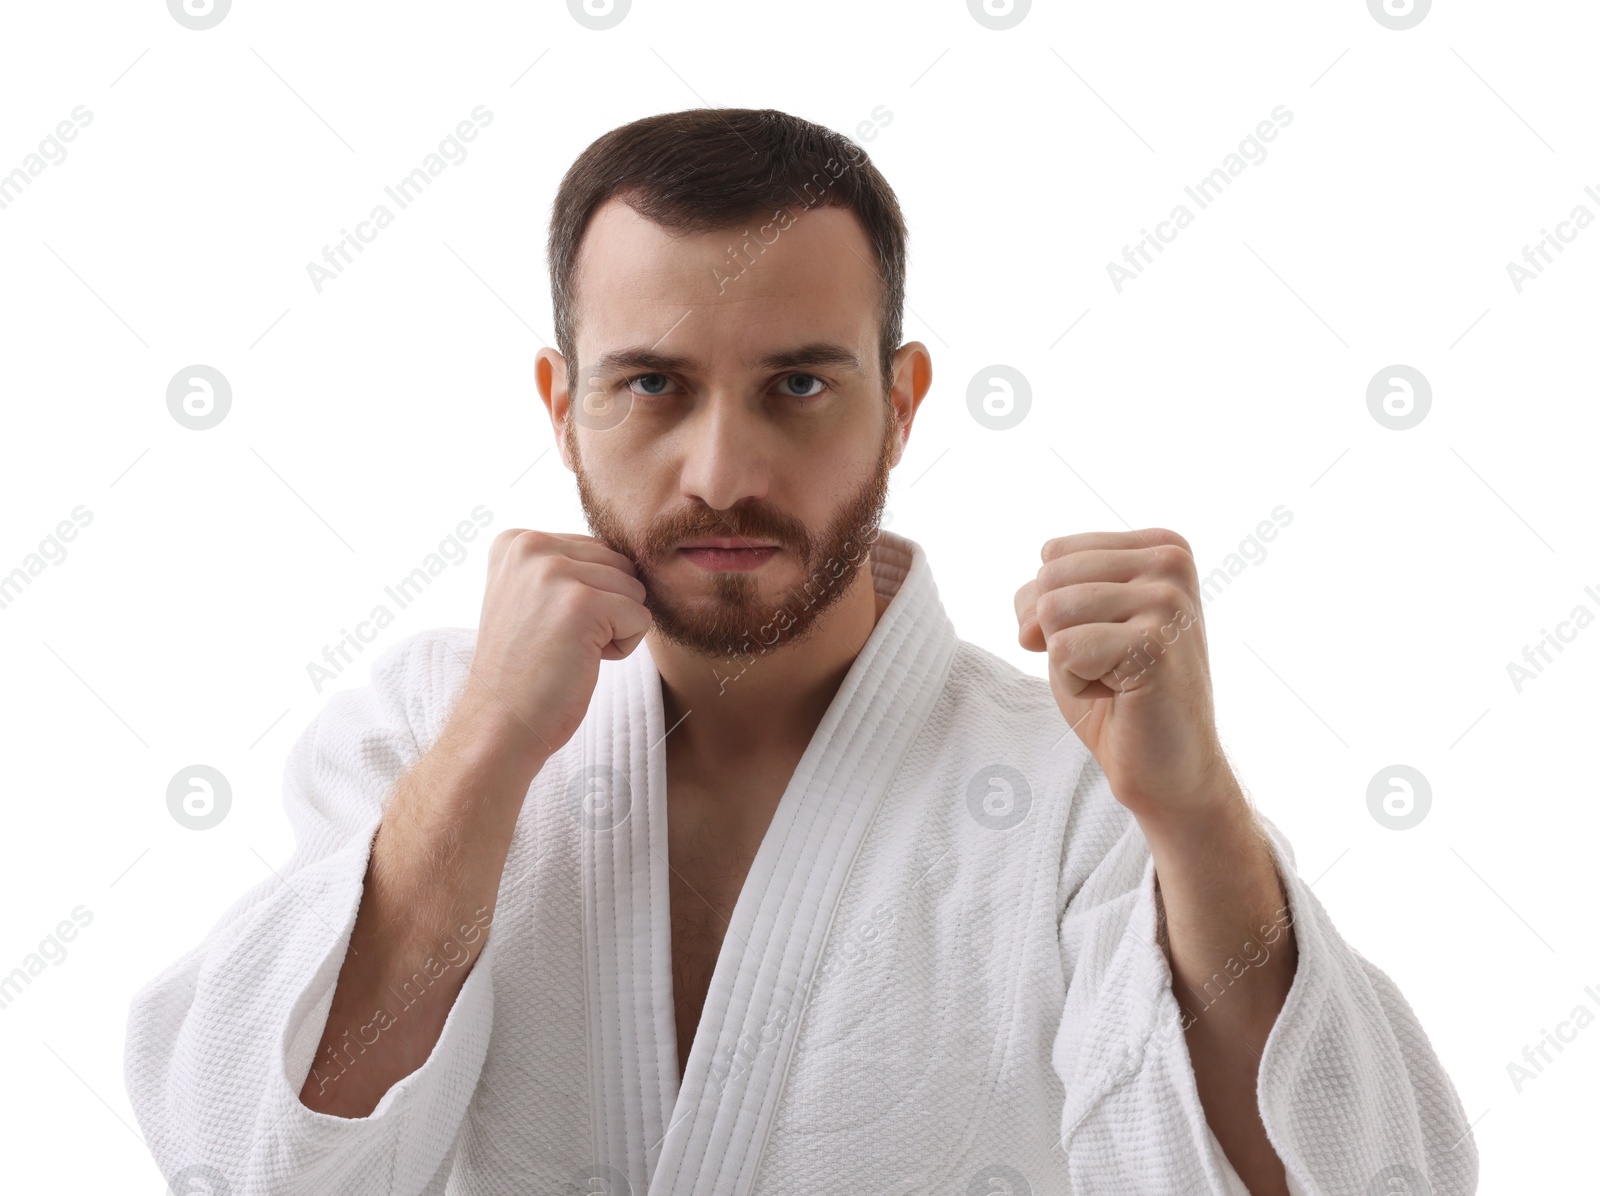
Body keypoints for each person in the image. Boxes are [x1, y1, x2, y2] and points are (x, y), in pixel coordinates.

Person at [124, 107, 1477, 1196]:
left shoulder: (1080, 787)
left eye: (799, 385)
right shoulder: (425, 724)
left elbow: (1369, 1182)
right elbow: (255, 1165)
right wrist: (486, 753)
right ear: (564, 405)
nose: (721, 472)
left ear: (899, 406)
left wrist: (1194, 819)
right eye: (653, 383)